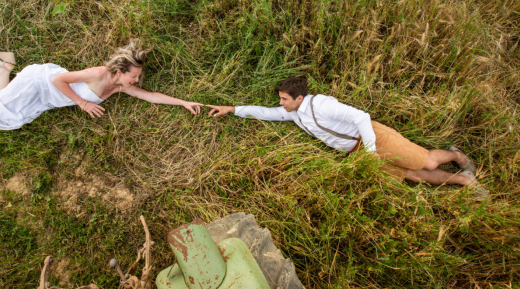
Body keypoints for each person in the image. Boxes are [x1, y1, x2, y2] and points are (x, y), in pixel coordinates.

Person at [206, 76, 489, 201]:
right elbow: (265, 113)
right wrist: (232, 109)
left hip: (376, 139)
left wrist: (369, 151)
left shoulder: (322, 105)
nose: (280, 103)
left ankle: (456, 156)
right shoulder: (294, 113)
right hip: (359, 151)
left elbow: (362, 117)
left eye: (283, 99)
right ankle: (464, 180)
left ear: (298, 98)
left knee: (425, 162)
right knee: (413, 176)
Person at [0, 39, 203, 140]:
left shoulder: (118, 89)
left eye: (137, 79)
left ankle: (3, 68)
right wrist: (82, 103)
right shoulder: (100, 73)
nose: (136, 83)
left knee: (0, 120)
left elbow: (151, 97)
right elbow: (57, 81)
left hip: (46, 100)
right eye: (134, 77)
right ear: (119, 71)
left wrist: (184, 102)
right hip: (41, 82)